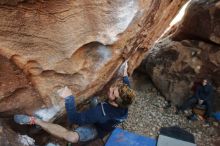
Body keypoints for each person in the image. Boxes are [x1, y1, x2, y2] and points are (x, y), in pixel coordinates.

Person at [14, 62, 136, 143]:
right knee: (94, 102)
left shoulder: (101, 113)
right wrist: (125, 73)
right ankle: (91, 106)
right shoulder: (125, 103)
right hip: (104, 119)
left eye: (113, 93)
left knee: (71, 137)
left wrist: (69, 98)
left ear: (116, 103)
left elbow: (74, 118)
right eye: (114, 88)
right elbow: (127, 86)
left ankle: (35, 121)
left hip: (98, 128)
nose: (110, 89)